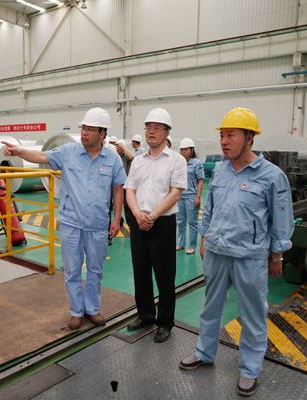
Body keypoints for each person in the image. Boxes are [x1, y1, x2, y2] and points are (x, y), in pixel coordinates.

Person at [179, 107, 294, 397]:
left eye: (231, 135)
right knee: (210, 307)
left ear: (250, 138)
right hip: (217, 252)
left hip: (249, 256)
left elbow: (281, 220)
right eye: (222, 135)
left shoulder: (272, 176)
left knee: (253, 315)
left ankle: (249, 370)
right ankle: (204, 352)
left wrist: (277, 256)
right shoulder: (220, 169)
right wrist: (204, 238)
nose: (224, 141)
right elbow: (210, 206)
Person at [1, 107, 127, 331]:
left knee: (96, 270)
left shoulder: (112, 159)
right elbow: (42, 156)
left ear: (102, 134)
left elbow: (118, 189)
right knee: (72, 270)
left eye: (90, 129)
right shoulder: (68, 151)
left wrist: (116, 219)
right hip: (71, 223)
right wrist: (19, 152)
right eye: (83, 128)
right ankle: (76, 312)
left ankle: (92, 309)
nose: (84, 133)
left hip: (98, 225)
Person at [124, 108, 187, 343]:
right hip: (138, 221)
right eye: (148, 127)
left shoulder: (177, 160)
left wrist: (151, 216)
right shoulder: (138, 161)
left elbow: (175, 193)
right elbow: (130, 189)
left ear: (167, 132)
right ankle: (145, 315)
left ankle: (165, 322)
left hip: (162, 224)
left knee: (164, 275)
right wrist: (137, 214)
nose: (151, 131)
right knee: (140, 272)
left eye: (157, 128)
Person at [176, 138, 205, 255]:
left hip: (192, 196)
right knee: (180, 221)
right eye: (182, 150)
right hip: (180, 196)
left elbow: (200, 181)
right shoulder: (179, 163)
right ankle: (180, 243)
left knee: (192, 222)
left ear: (191, 150)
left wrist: (198, 197)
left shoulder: (197, 164)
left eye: (186, 149)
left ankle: (192, 245)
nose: (183, 152)